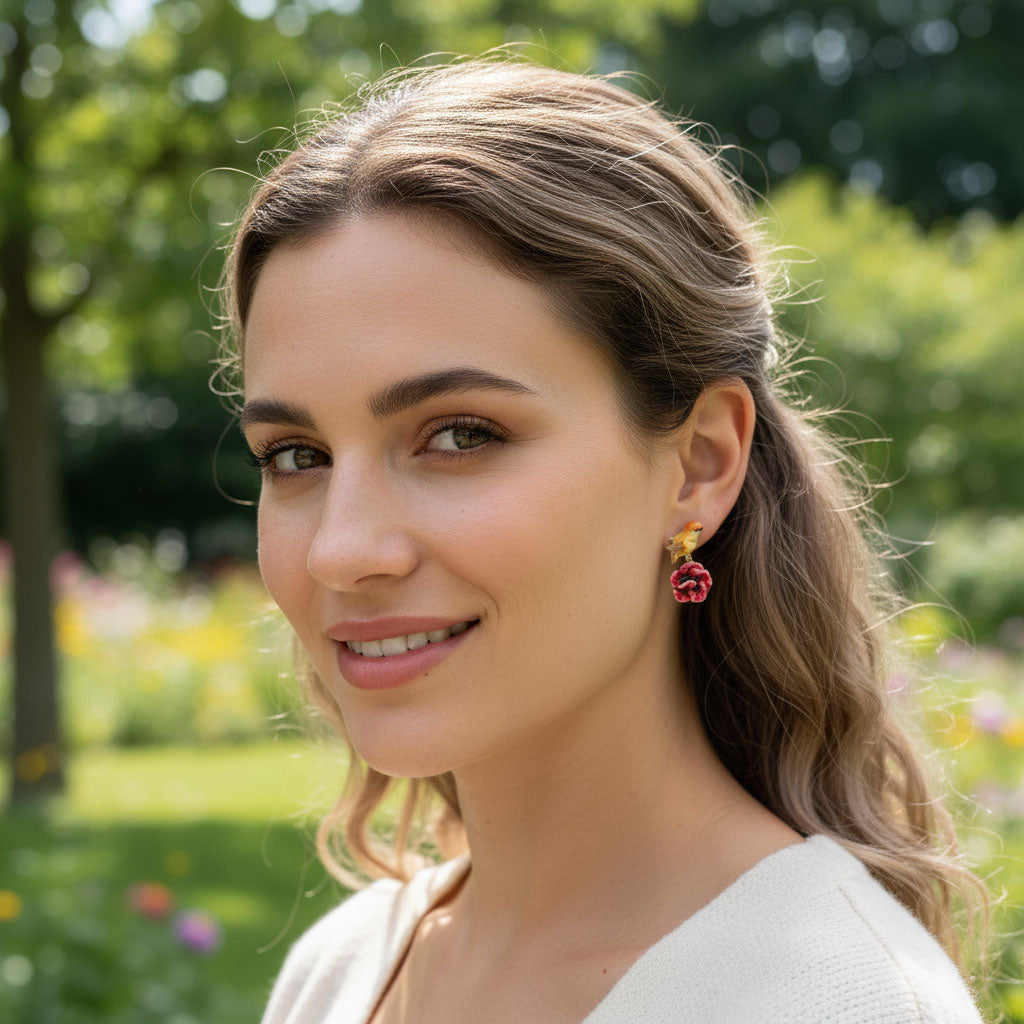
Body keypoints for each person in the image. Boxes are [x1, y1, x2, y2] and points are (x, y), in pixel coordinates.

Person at [219, 56, 989, 1023]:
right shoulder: (343, 969)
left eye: (461, 435)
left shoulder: (832, 1001)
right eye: (295, 455)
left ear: (701, 462)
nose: (340, 549)